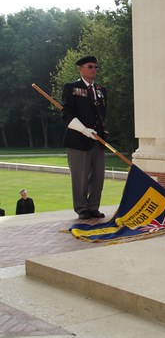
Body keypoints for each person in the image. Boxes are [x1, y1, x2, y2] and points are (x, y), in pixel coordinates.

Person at [62, 55, 107, 220]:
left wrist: (99, 132)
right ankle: (82, 208)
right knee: (80, 178)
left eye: (96, 67)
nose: (94, 69)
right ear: (81, 69)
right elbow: (67, 115)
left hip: (97, 140)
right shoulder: (72, 88)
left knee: (98, 177)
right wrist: (83, 129)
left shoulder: (101, 90)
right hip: (79, 140)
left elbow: (102, 115)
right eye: (90, 66)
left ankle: (93, 207)